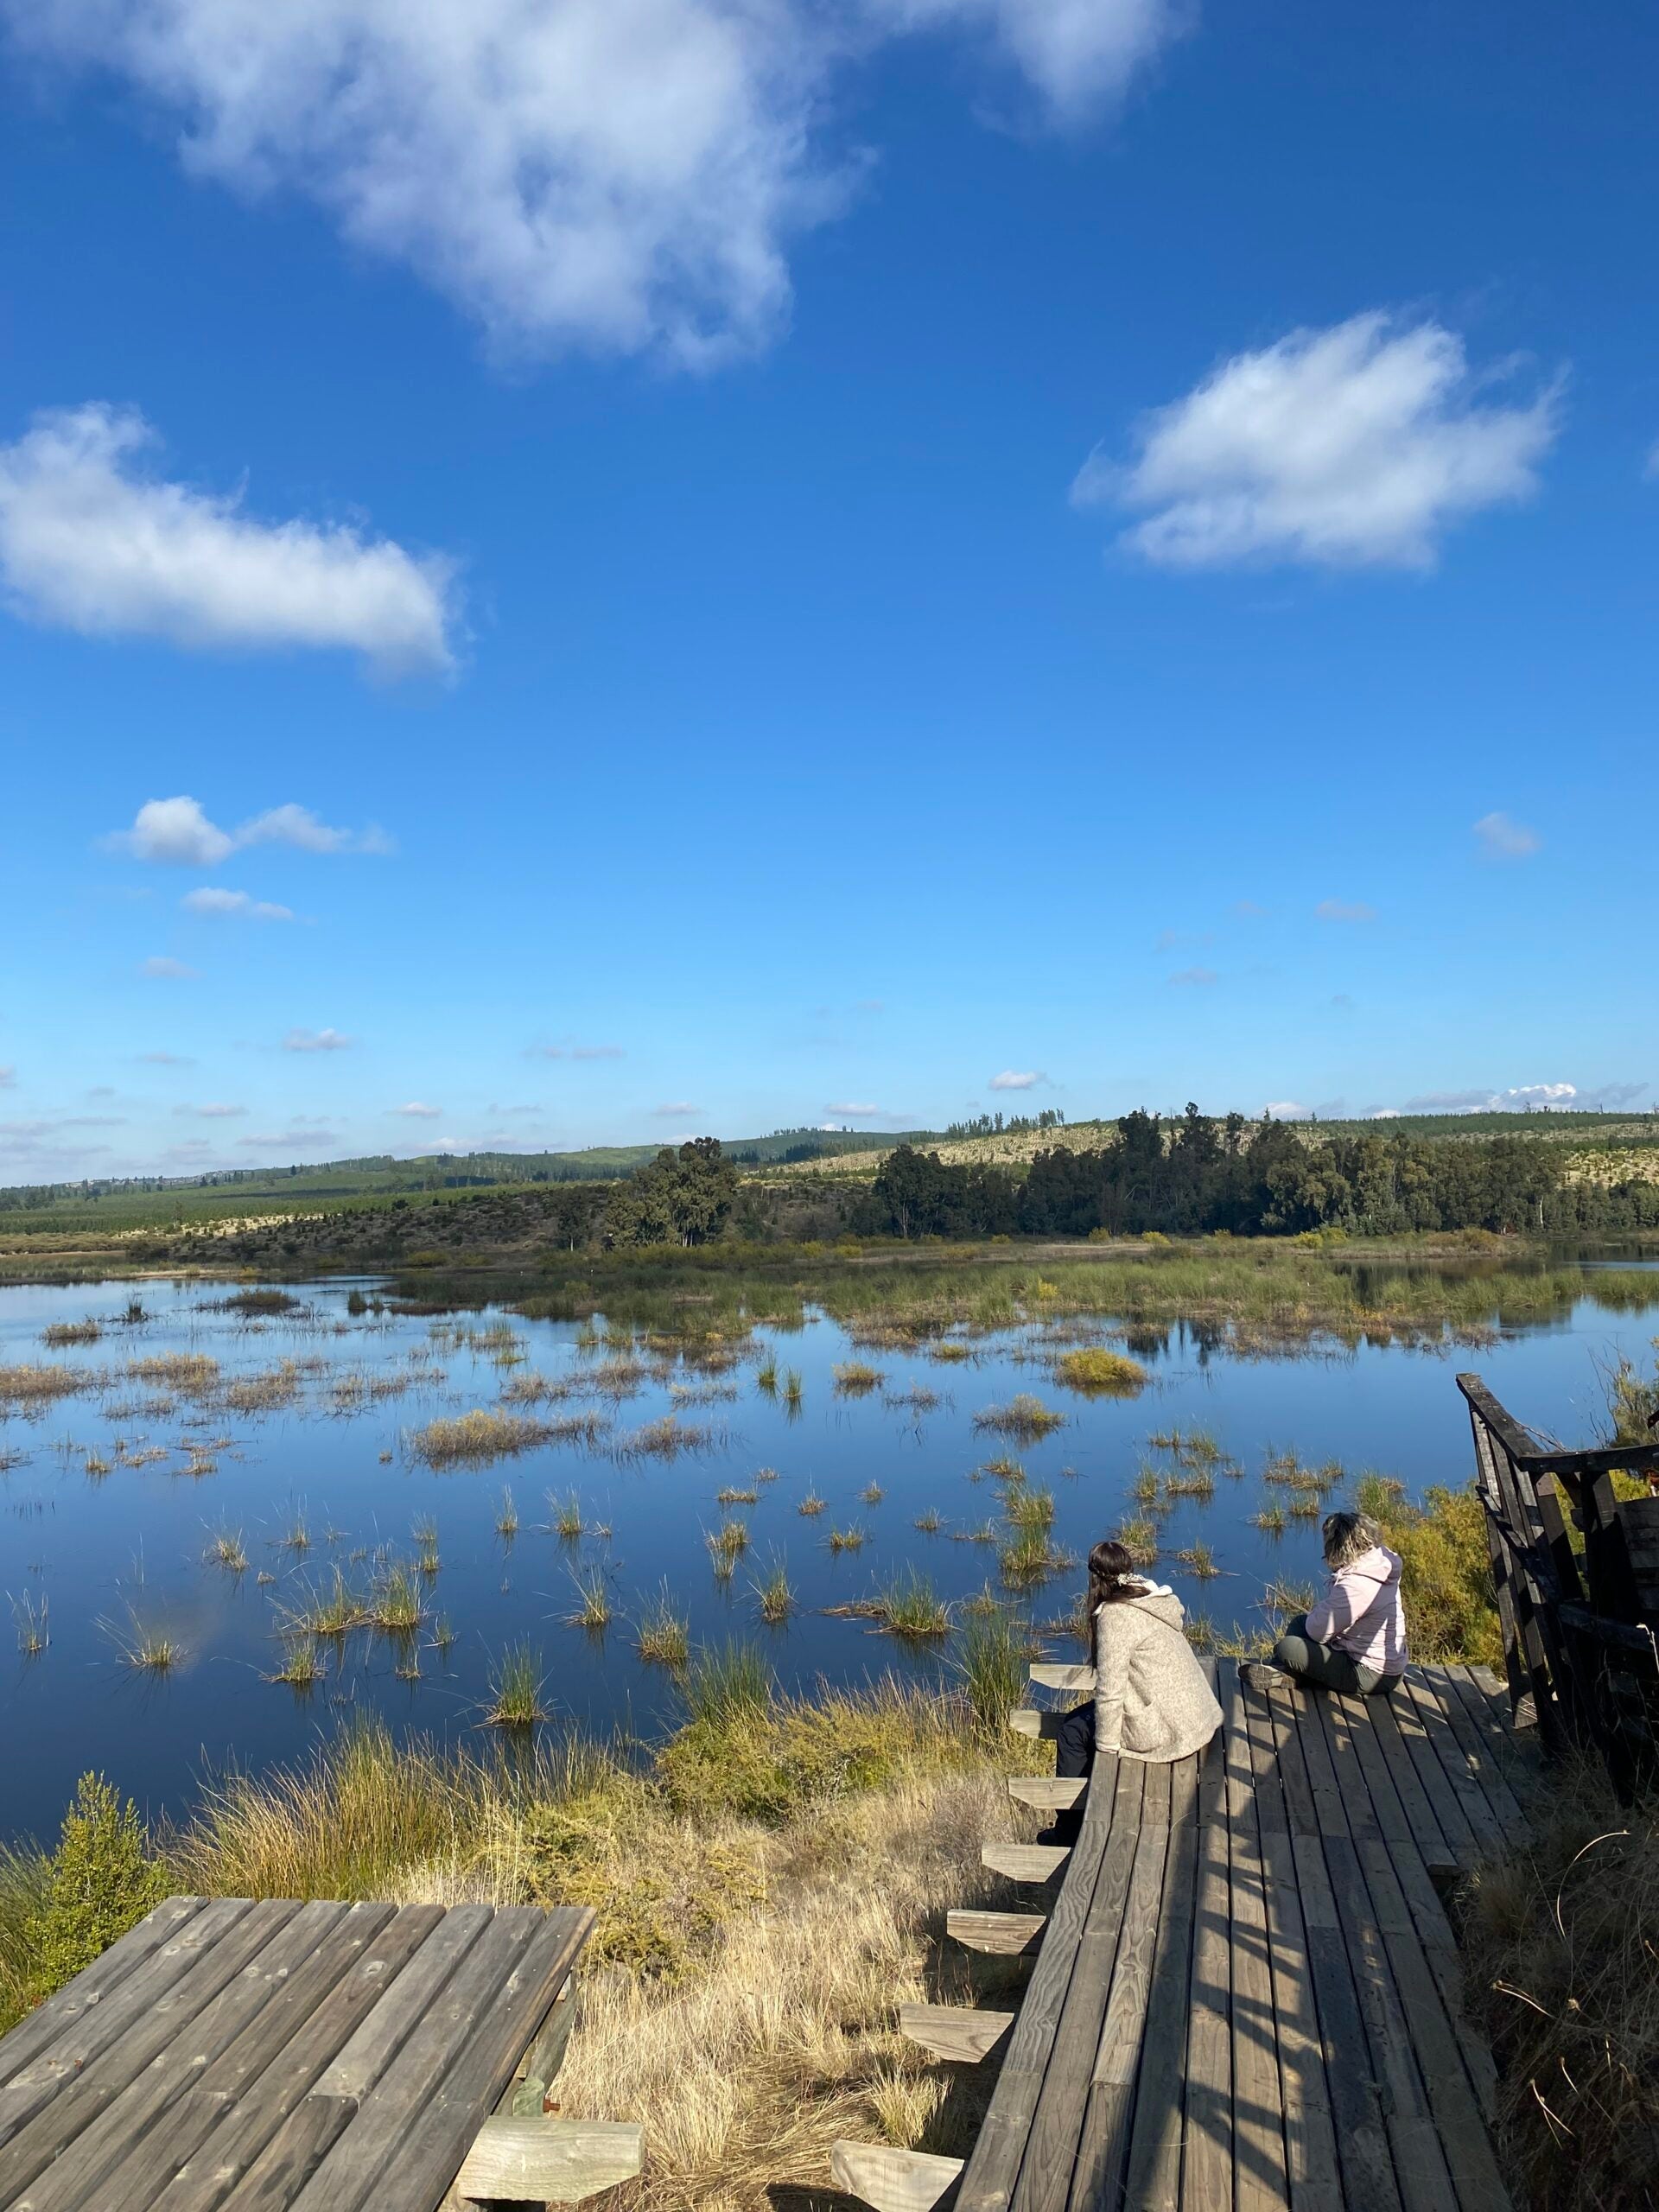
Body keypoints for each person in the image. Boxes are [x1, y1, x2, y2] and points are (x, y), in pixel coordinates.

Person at [1038, 1538, 1224, 1846]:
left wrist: (1107, 1749)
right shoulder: (1151, 1596)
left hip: (1166, 1729)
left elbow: (1110, 1692)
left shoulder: (1115, 1616)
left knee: (1072, 1731)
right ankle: (1074, 1820)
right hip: (1194, 1715)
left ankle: (1070, 1831)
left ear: (1094, 1578)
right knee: (1079, 1721)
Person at [1242, 1509, 1406, 1697]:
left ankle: (1286, 1671)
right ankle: (1289, 1673)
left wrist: (1319, 1612)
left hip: (1370, 1673)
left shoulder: (1356, 1585)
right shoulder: (1378, 1565)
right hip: (1380, 1662)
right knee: (1298, 1623)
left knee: (1287, 1647)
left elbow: (1317, 1632)